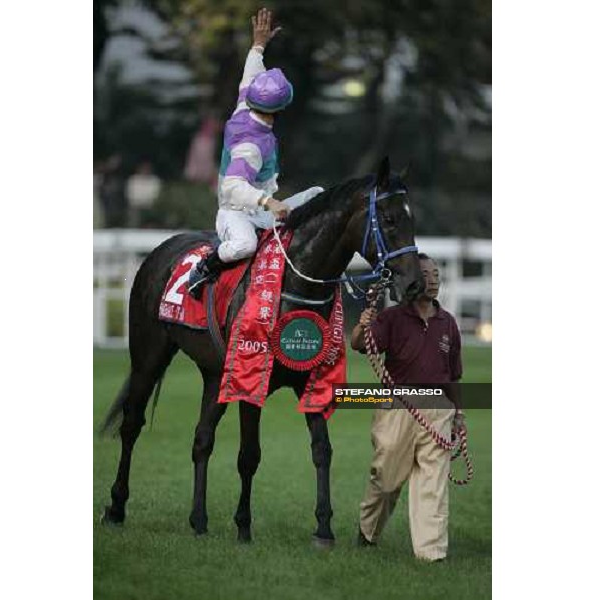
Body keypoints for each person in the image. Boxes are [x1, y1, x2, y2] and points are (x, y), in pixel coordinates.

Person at [188, 8, 324, 296]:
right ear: (282, 108)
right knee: (245, 246)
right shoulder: (250, 146)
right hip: (236, 215)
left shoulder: (245, 105)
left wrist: (258, 45)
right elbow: (232, 186)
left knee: (318, 195)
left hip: (261, 212)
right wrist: (270, 202)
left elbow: (249, 75)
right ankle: (203, 267)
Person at [350, 253, 466, 561]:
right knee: (386, 479)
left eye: (438, 274)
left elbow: (454, 374)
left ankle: (432, 554)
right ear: (413, 279)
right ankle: (368, 530)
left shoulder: (448, 323)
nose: (435, 279)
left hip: (438, 410)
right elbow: (360, 345)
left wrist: (458, 414)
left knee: (433, 484)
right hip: (397, 407)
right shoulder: (393, 317)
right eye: (427, 274)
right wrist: (364, 324)